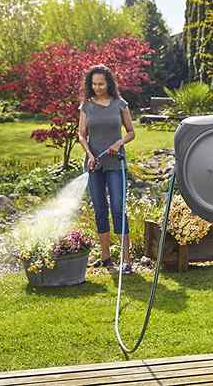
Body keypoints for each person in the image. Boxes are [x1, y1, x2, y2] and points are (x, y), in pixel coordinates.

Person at [77, 64, 135, 274]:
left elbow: (131, 132)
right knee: (100, 210)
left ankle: (126, 261)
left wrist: (119, 143)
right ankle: (105, 257)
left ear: (108, 83)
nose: (97, 87)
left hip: (115, 164)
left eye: (101, 83)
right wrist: (90, 155)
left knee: (118, 208)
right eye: (94, 84)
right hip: (94, 165)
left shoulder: (120, 104)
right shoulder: (86, 106)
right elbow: (81, 135)